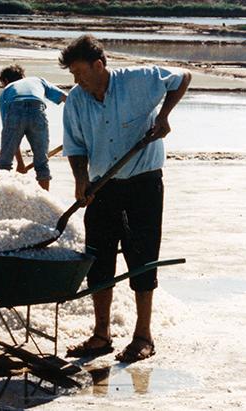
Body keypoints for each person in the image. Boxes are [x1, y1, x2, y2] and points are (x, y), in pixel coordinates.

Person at [59, 35, 191, 362]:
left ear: (99, 65)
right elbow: (75, 146)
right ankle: (101, 335)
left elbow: (183, 77)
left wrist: (164, 116)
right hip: (103, 189)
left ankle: (143, 335)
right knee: (98, 259)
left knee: (142, 257)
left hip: (143, 184)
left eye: (79, 72)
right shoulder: (77, 100)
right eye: (73, 75)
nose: (76, 80)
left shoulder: (138, 80)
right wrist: (81, 179)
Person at [0, 64, 66, 191]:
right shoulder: (37, 80)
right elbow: (66, 98)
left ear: (5, 81)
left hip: (15, 109)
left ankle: (1, 199)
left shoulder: (6, 91)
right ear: (23, 76)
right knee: (42, 163)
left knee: (4, 163)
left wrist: (20, 164)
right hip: (37, 110)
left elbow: (9, 136)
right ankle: (46, 202)